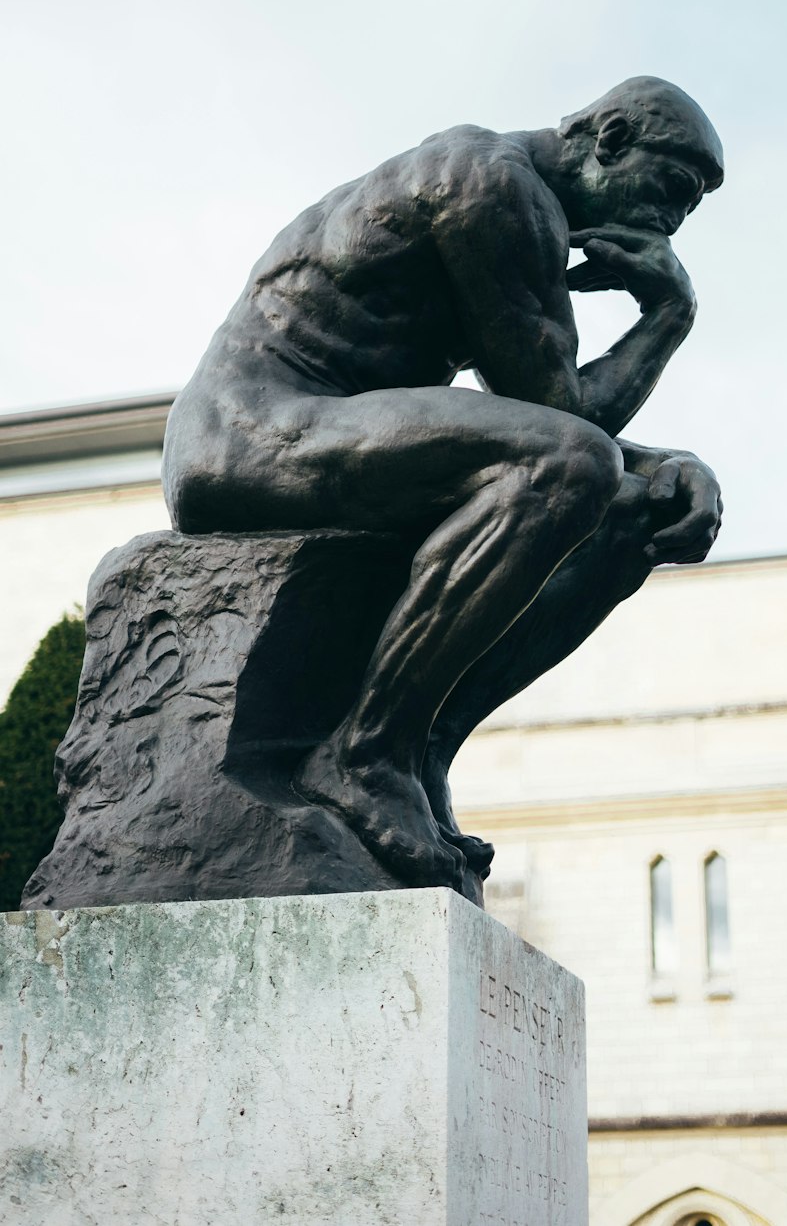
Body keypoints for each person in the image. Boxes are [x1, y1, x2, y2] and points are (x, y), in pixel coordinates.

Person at [162, 76, 725, 889]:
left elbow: (545, 415)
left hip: (338, 431)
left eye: (691, 207)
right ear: (605, 138)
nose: (672, 222)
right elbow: (561, 419)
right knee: (573, 468)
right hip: (249, 432)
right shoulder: (493, 182)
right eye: (671, 188)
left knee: (634, 511)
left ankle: (419, 748)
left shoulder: (522, 202)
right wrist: (667, 318)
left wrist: (668, 468)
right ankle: (365, 754)